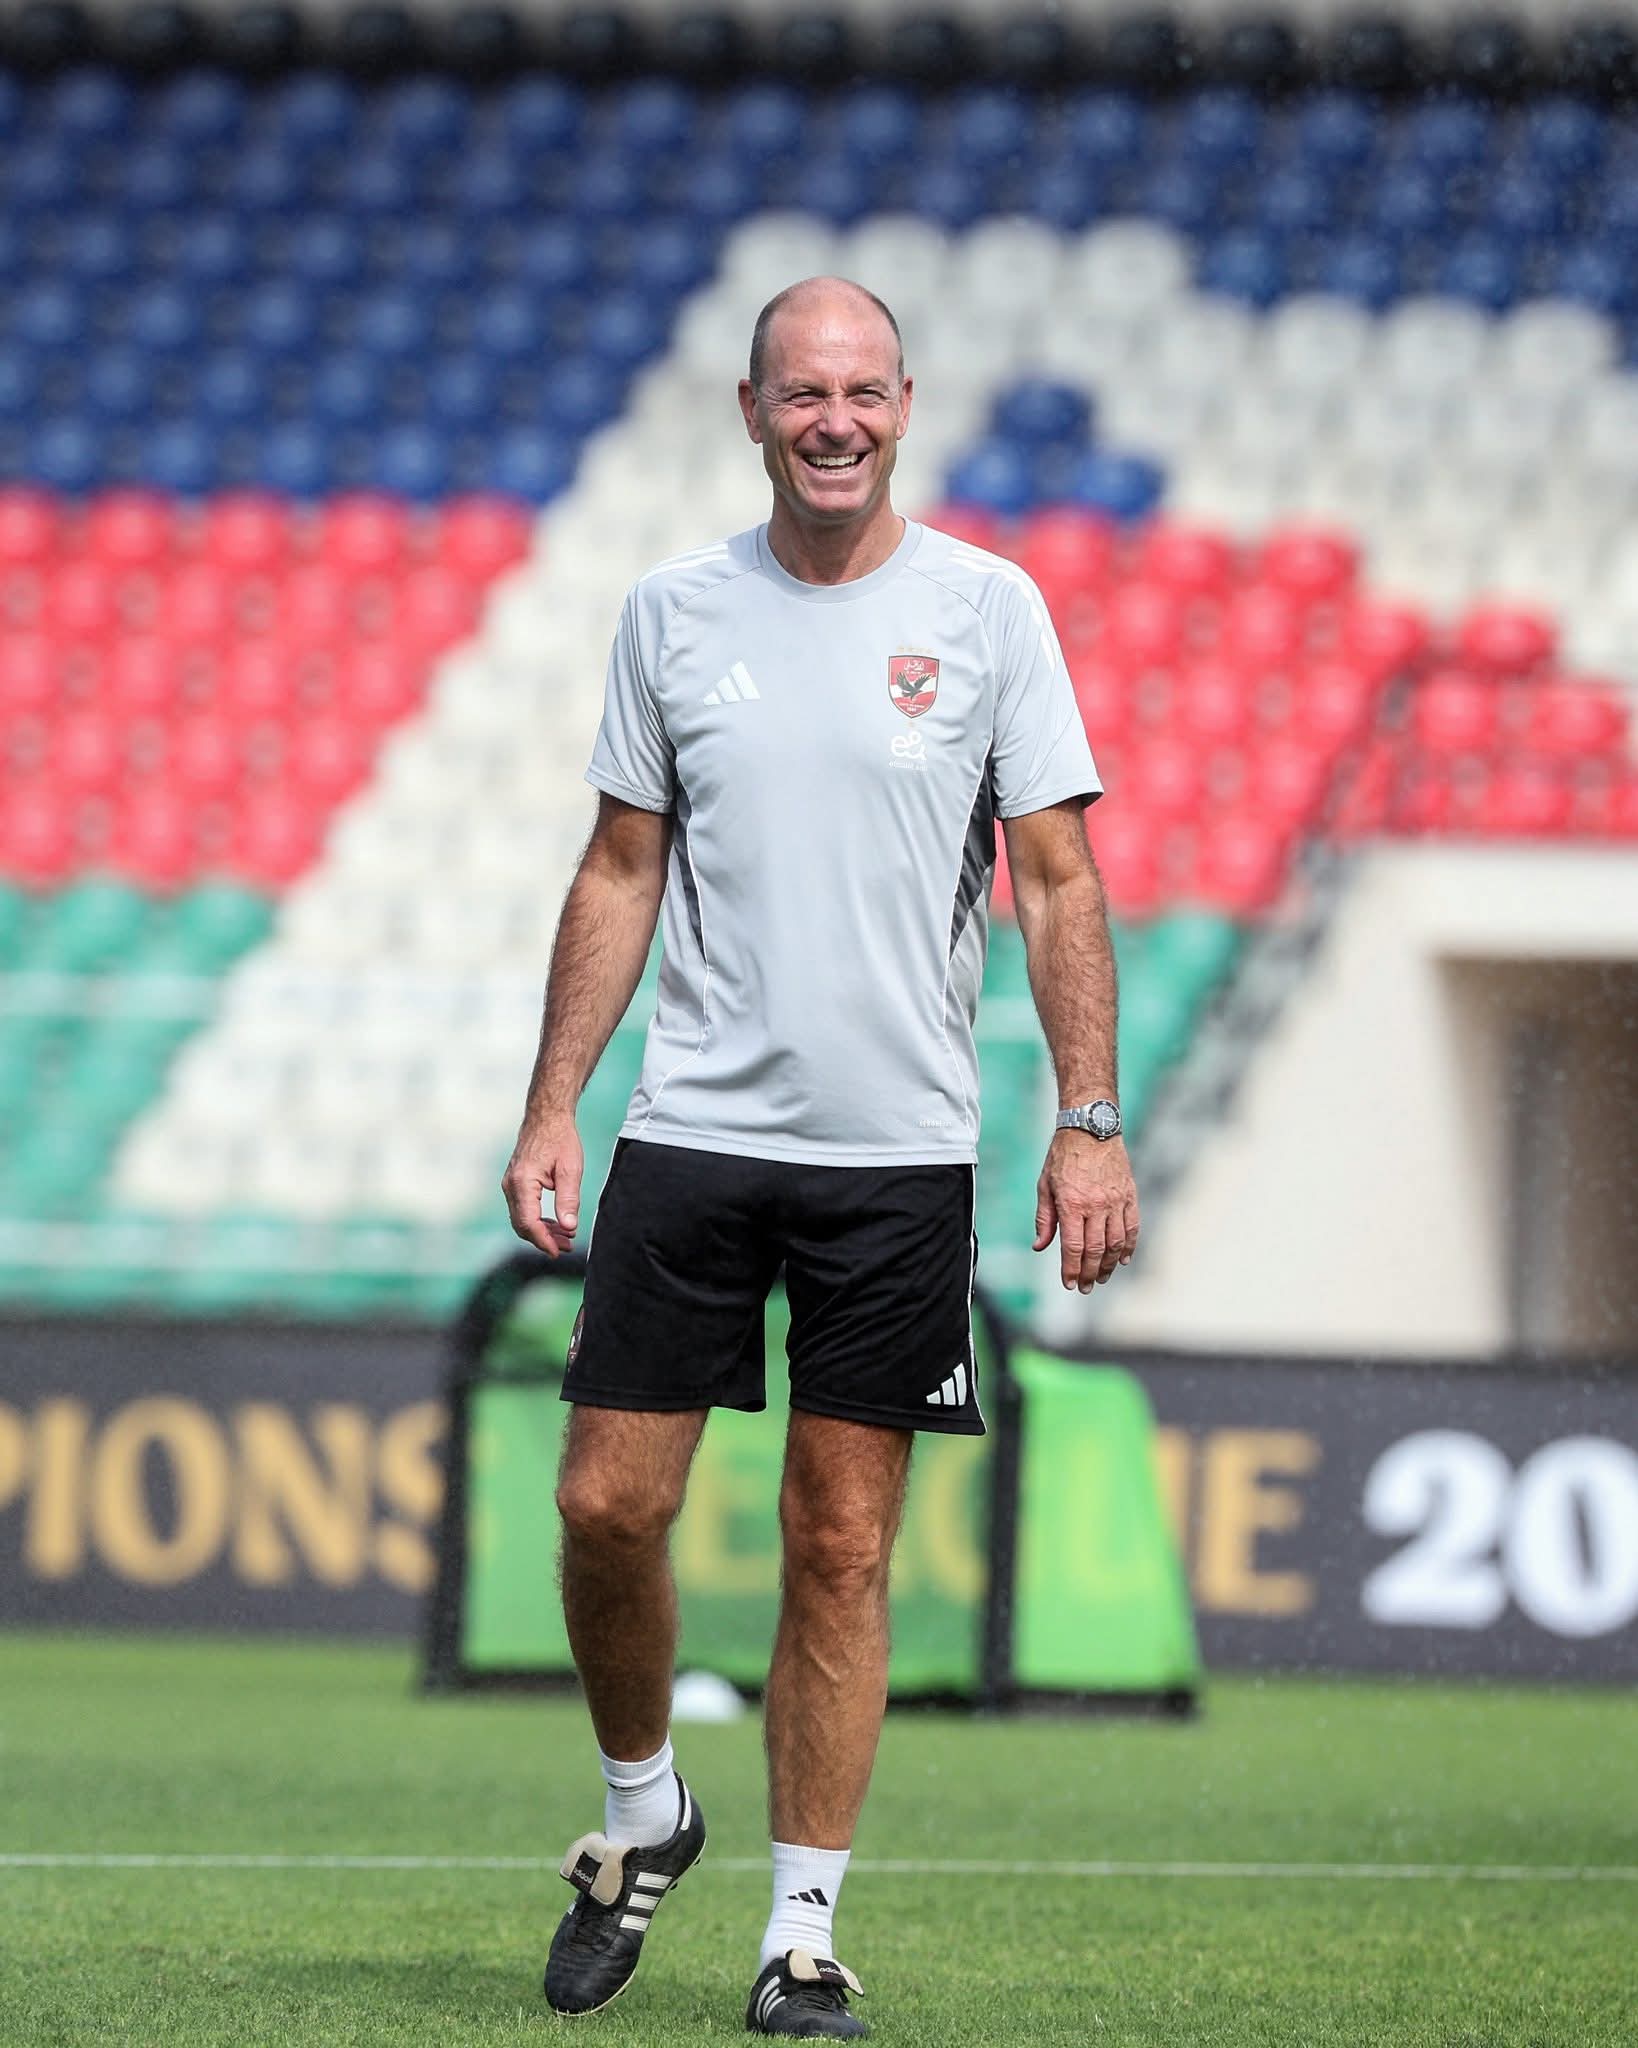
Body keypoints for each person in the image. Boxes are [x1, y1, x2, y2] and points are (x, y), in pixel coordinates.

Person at [502, 276, 1140, 2038]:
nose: (833, 421)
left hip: (897, 1162)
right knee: (603, 1506)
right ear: (752, 410)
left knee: (839, 1545)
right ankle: (645, 1815)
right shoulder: (672, 610)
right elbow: (621, 865)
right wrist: (553, 1102)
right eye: (802, 393)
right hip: (692, 1137)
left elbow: (1059, 882)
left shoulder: (989, 610)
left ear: (906, 405)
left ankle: (800, 1935)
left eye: (861, 392)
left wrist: (1088, 1120)